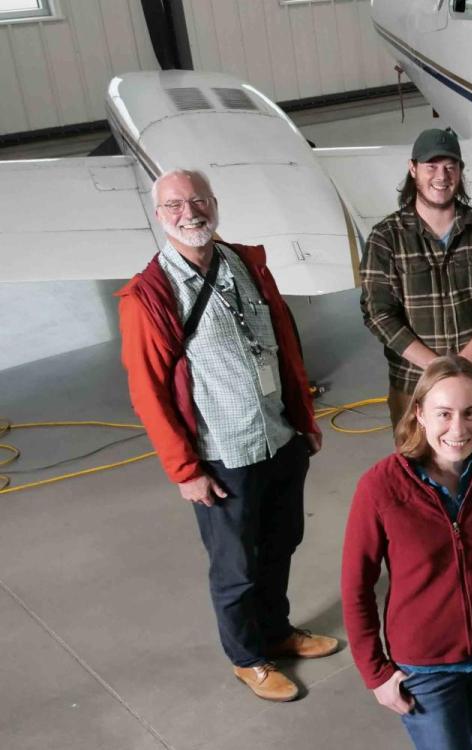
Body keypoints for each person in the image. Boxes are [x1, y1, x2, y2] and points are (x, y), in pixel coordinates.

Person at [117, 169, 337, 702]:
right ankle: (248, 658)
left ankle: (278, 631)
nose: (189, 212)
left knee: (281, 544)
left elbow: (286, 345)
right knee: (236, 566)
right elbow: (149, 394)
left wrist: (303, 420)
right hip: (223, 457)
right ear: (158, 215)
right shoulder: (149, 296)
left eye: (198, 200)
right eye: (174, 205)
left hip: (279, 438)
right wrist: (184, 471)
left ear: (214, 204)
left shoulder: (244, 262)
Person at [342, 356, 472, 750]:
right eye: (443, 413)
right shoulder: (380, 487)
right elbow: (356, 586)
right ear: (418, 413)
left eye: (471, 412)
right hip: (425, 664)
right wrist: (376, 673)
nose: (458, 429)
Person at [360, 127, 472, 430]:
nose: (441, 176)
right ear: (413, 169)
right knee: (418, 469)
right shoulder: (386, 238)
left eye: (450, 166)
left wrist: (463, 363)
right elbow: (378, 313)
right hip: (415, 385)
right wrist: (437, 368)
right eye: (431, 166)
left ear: (460, 171)